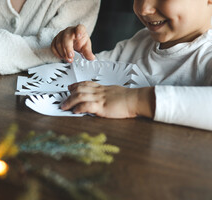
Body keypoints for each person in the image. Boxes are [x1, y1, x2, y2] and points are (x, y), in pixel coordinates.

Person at [51, 0, 212, 131]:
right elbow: (91, 73)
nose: (143, 9)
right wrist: (74, 51)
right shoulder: (141, 41)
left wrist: (133, 100)